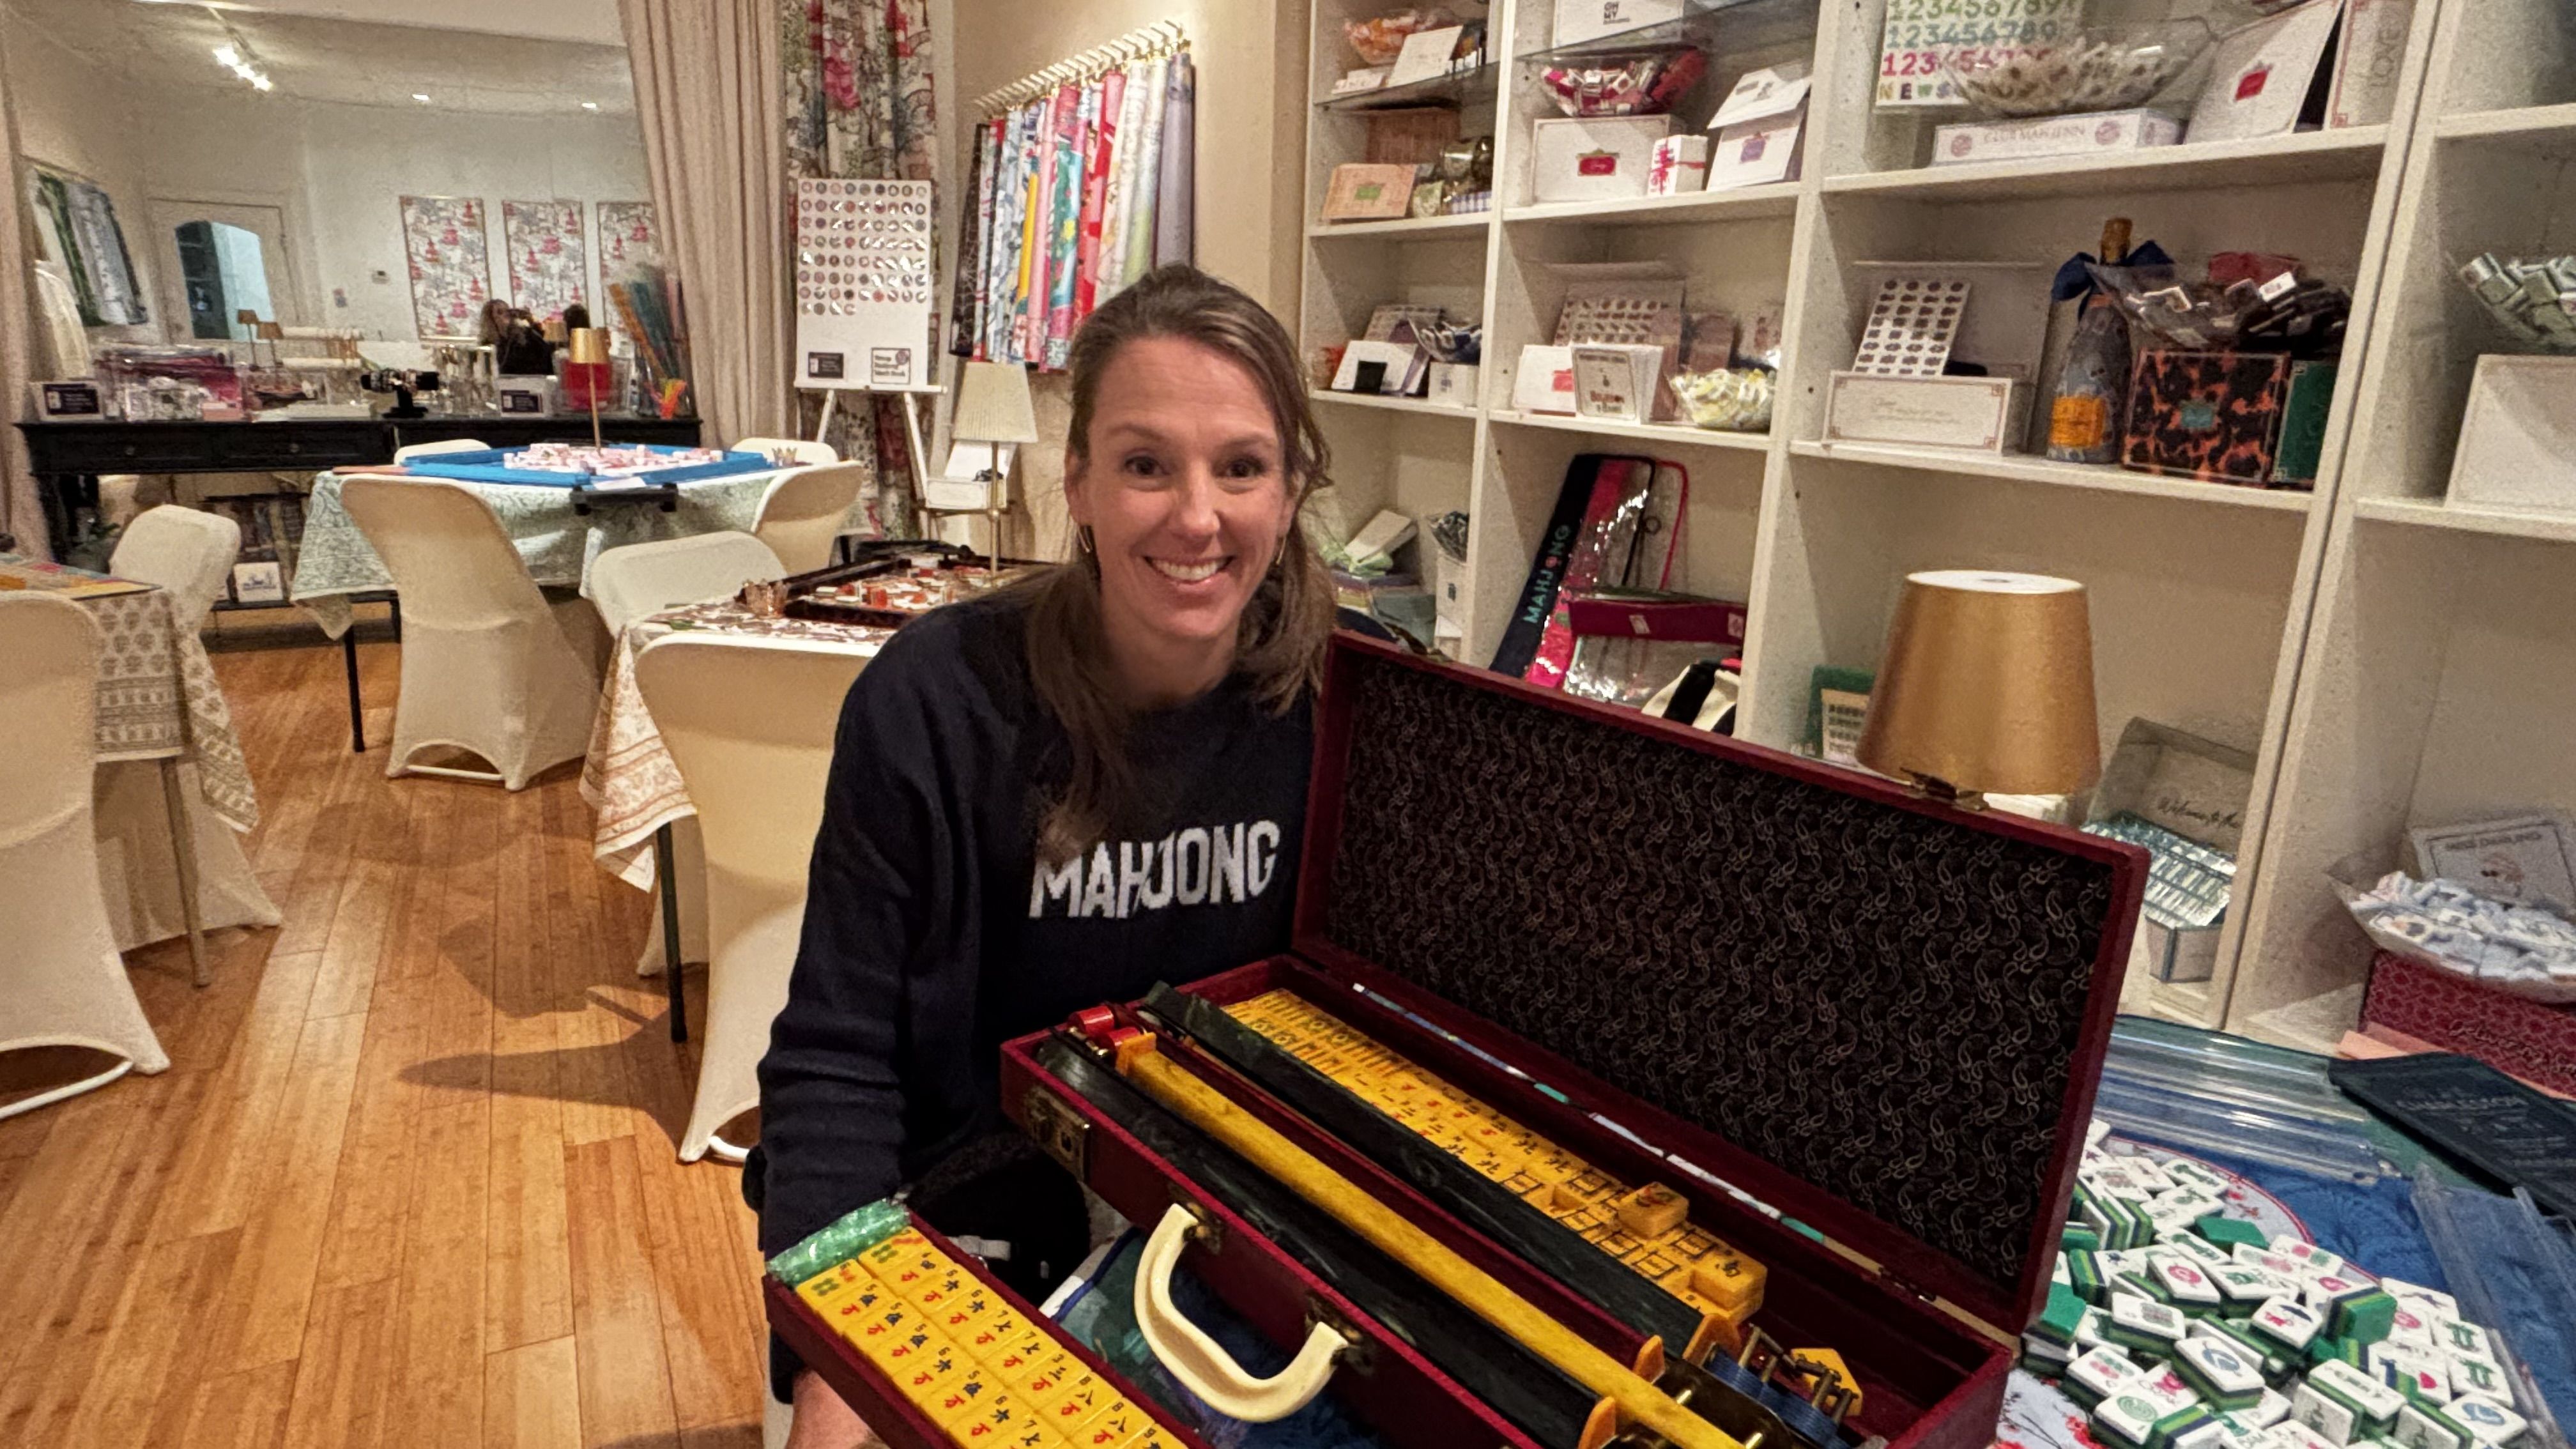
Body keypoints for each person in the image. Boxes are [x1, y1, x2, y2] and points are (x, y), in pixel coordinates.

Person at [751, 264, 1341, 1447]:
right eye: (1143, 464)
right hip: (979, 1208)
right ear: (1075, 484)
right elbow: (837, 1052)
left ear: (1289, 491)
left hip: (1259, 1237)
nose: (1196, 517)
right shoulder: (934, 699)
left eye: (1241, 466)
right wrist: (838, 1358)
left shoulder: (1356, 698)